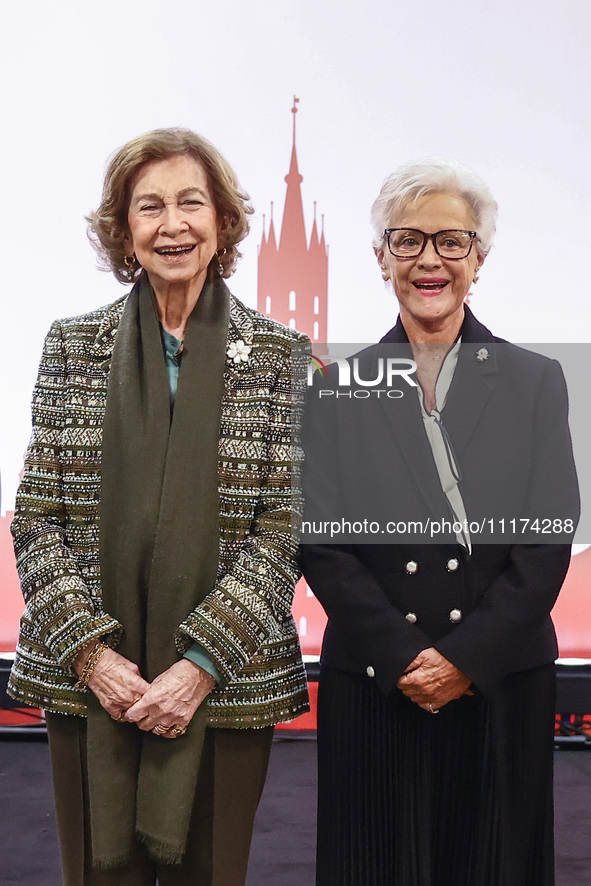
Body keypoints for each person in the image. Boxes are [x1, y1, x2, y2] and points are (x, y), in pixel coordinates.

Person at [8, 127, 309, 886]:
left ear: (223, 223)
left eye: (190, 203)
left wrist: (197, 667)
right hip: (88, 680)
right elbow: (38, 516)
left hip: (228, 681)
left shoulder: (279, 354)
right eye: (149, 207)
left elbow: (283, 527)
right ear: (123, 229)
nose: (172, 224)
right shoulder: (72, 346)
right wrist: (95, 657)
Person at [300, 157, 579, 886]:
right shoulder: (334, 389)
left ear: (478, 259)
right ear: (379, 257)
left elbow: (546, 538)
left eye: (451, 242)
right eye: (407, 240)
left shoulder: (533, 381)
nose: (429, 259)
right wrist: (404, 659)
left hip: (499, 676)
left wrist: (462, 659)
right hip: (374, 677)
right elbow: (320, 544)